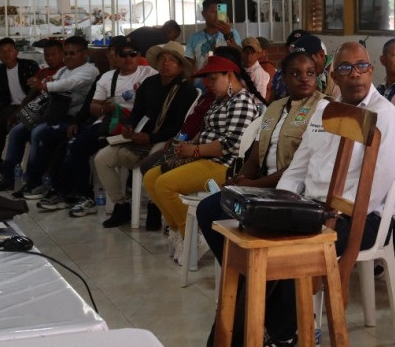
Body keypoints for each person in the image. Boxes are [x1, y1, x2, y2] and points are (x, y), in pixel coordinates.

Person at [233, 41, 395, 344]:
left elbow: (372, 189)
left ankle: (287, 333)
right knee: (253, 237)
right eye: (345, 68)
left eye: (361, 67)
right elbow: (298, 168)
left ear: (371, 70)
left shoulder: (385, 117)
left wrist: (323, 217)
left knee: (291, 247)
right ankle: (254, 330)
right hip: (313, 206)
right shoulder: (324, 111)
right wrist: (283, 203)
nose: (355, 74)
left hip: (360, 218)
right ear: (333, 75)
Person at [196, 50, 326, 261]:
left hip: (291, 190)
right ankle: (236, 274)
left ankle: (249, 278)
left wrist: (255, 185)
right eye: (296, 73)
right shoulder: (274, 108)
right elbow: (256, 156)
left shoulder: (321, 108)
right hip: (261, 185)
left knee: (229, 216)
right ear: (283, 78)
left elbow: (301, 167)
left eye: (310, 73)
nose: (304, 78)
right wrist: (241, 179)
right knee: (207, 209)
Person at [143, 54, 263, 261]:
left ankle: (193, 237)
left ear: (230, 75)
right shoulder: (221, 99)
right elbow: (207, 129)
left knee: (164, 184)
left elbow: (231, 144)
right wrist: (190, 144)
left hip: (223, 165)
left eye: (214, 78)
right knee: (150, 178)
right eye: (207, 79)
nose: (208, 84)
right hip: (204, 157)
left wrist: (195, 151)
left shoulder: (242, 101)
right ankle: (177, 231)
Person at [37, 36, 158, 216]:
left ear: (138, 55)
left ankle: (62, 190)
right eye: (123, 55)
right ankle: (83, 196)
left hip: (140, 125)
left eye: (132, 54)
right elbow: (93, 107)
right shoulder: (106, 78)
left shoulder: (149, 73)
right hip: (111, 123)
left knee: (57, 138)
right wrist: (103, 108)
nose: (128, 58)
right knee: (75, 145)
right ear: (116, 57)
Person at [95, 41, 198, 227]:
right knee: (101, 159)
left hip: (166, 139)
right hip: (140, 135)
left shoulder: (186, 90)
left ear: (180, 65)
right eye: (162, 59)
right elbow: (137, 112)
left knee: (153, 161)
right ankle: (120, 206)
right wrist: (128, 126)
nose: (166, 63)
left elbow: (179, 126)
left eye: (172, 60)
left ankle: (154, 206)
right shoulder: (149, 83)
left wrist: (150, 138)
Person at [0, 36, 99, 195]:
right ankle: (9, 177)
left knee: (38, 132)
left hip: (75, 119)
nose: (68, 57)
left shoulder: (90, 70)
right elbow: (48, 88)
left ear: (84, 53)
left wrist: (44, 84)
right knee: (17, 131)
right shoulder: (63, 70)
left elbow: (68, 84)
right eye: (66, 54)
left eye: (72, 53)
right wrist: (24, 110)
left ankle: (34, 181)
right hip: (54, 114)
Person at [0, 38, 39, 180]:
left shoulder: (30, 66)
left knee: (0, 121)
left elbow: (37, 92)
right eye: (2, 52)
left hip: (31, 107)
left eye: (10, 50)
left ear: (16, 52)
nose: (7, 54)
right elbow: (2, 100)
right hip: (11, 108)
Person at [184, 0, 241, 70]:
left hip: (225, 79)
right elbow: (188, 65)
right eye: (213, 12)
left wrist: (227, 34)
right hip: (202, 80)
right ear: (203, 14)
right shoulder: (194, 38)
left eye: (220, 12)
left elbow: (240, 57)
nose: (217, 16)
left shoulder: (232, 33)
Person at [268, 29, 309, 100]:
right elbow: (271, 104)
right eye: (293, 47)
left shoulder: (316, 74)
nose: (296, 51)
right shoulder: (279, 75)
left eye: (300, 47)